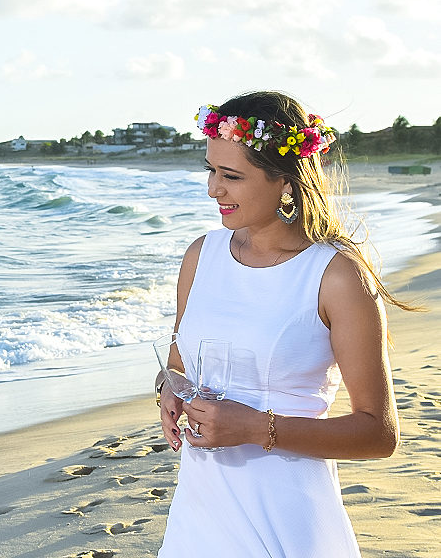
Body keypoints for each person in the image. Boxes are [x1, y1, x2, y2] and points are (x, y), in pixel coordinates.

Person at [157, 91, 411, 556]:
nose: (214, 188)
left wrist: (256, 428)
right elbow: (178, 364)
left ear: (286, 183)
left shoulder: (335, 276)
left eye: (231, 176)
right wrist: (169, 390)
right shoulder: (201, 255)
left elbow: (379, 434)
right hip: (198, 513)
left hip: (287, 519)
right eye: (210, 170)